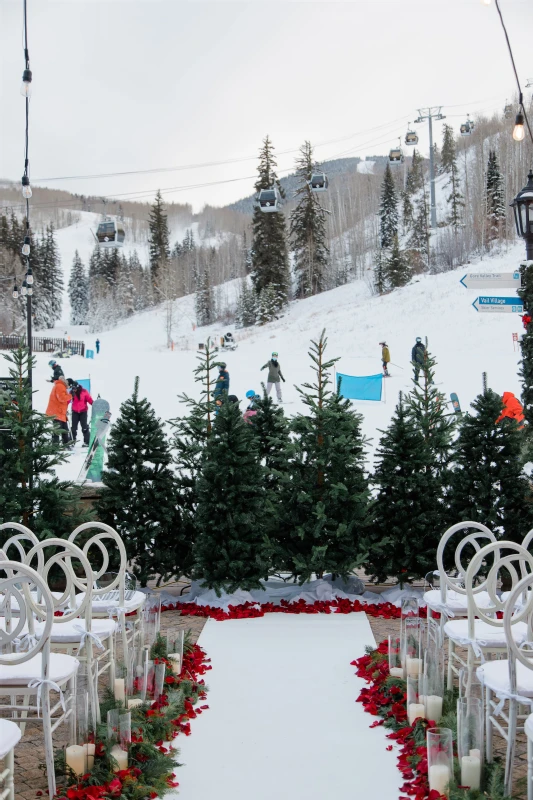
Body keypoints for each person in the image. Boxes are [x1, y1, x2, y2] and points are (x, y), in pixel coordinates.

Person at [45, 375, 72, 446]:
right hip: (57, 412)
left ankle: (64, 444)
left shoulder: (58, 385)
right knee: (58, 430)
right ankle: (56, 445)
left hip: (58, 412)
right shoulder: (60, 386)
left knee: (63, 429)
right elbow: (61, 398)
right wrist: (70, 395)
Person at [71, 381, 94, 446]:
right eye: (73, 388)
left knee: (84, 427)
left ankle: (87, 442)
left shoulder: (84, 391)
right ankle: (72, 441)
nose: (74, 390)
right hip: (75, 412)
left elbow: (89, 399)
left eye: (75, 388)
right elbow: (67, 400)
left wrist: (94, 404)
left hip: (83, 411)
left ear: (77, 387)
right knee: (73, 428)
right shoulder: (72, 393)